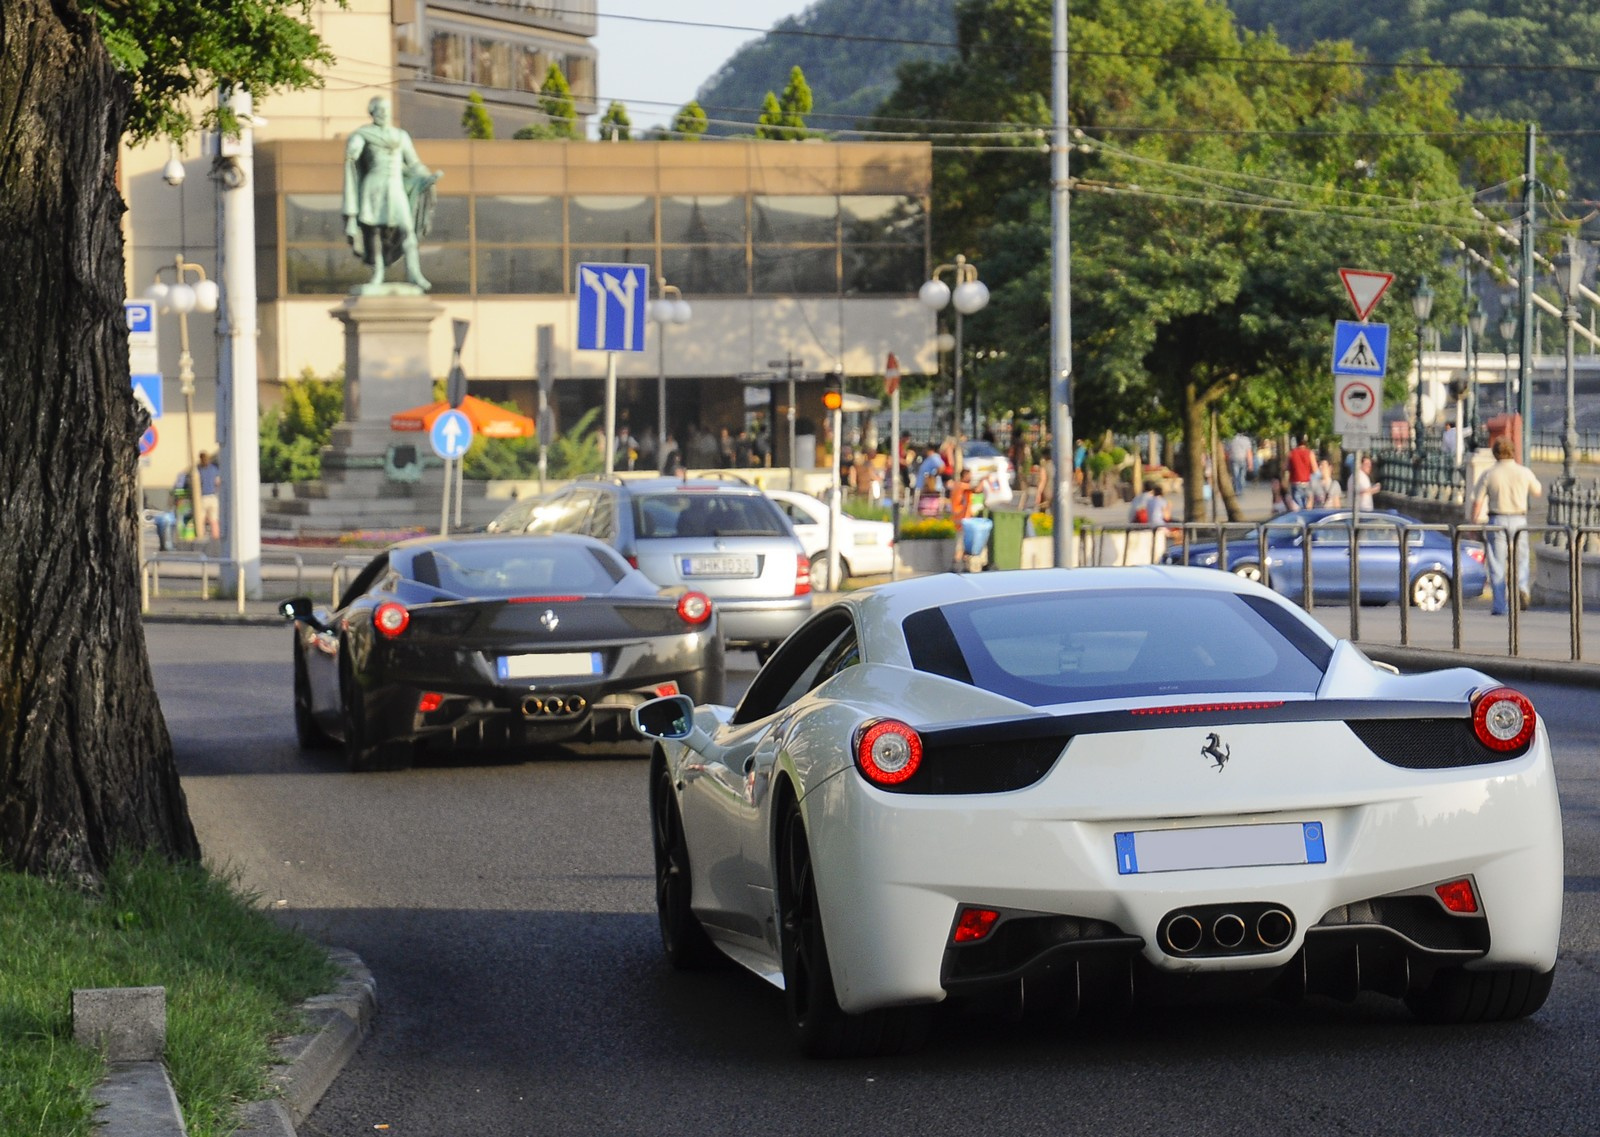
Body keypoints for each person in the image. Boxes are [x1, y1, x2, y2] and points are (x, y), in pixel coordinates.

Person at [342, 96, 441, 290]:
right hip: (374, 186)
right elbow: (355, 149)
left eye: (387, 109)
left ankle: (414, 273)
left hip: (395, 187)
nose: (384, 113)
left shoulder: (401, 136)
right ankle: (378, 272)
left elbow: (413, 163)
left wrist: (428, 176)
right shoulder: (363, 134)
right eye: (380, 110)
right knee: (374, 231)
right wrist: (352, 150)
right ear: (372, 112)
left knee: (406, 228)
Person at [1470, 438, 1544, 615]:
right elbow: (1538, 491)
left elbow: (1477, 501)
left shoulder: (1489, 474)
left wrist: (1473, 524)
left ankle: (1500, 605)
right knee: (1522, 558)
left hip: (1497, 520)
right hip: (1519, 519)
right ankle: (1522, 587)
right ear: (1513, 452)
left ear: (1495, 453)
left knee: (1497, 563)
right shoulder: (1523, 472)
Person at [948, 469, 975, 571]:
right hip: (961, 518)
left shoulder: (958, 486)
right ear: (964, 476)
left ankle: (964, 564)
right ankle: (955, 565)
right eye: (969, 475)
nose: (971, 478)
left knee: (964, 542)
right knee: (961, 542)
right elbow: (974, 488)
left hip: (962, 518)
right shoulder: (961, 486)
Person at [196, 451, 222, 540]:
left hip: (203, 497)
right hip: (213, 497)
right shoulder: (214, 469)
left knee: (201, 519)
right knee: (214, 520)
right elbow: (218, 482)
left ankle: (201, 536)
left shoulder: (199, 470)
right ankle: (216, 537)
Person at [1286, 437, 1316, 509]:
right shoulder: (1310, 453)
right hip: (1307, 483)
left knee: (1297, 509)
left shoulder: (1291, 453)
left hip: (1296, 483)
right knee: (1308, 507)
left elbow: (1285, 467)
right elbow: (1315, 469)